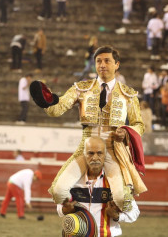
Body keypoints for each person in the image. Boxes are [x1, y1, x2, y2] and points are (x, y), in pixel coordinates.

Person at [31, 46, 146, 211]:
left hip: (113, 148)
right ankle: (80, 214)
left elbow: (139, 124)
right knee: (58, 191)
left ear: (117, 65)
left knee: (123, 199)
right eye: (98, 61)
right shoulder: (81, 88)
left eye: (107, 61)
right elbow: (58, 109)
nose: (102, 65)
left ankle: (111, 218)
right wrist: (47, 100)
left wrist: (126, 132)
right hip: (87, 148)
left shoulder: (129, 94)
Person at [57, 137, 140, 236]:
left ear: (105, 155)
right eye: (91, 153)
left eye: (99, 153)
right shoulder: (72, 180)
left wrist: (117, 216)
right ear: (84, 155)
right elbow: (60, 209)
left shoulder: (116, 182)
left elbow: (134, 212)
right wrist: (65, 210)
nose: (95, 158)